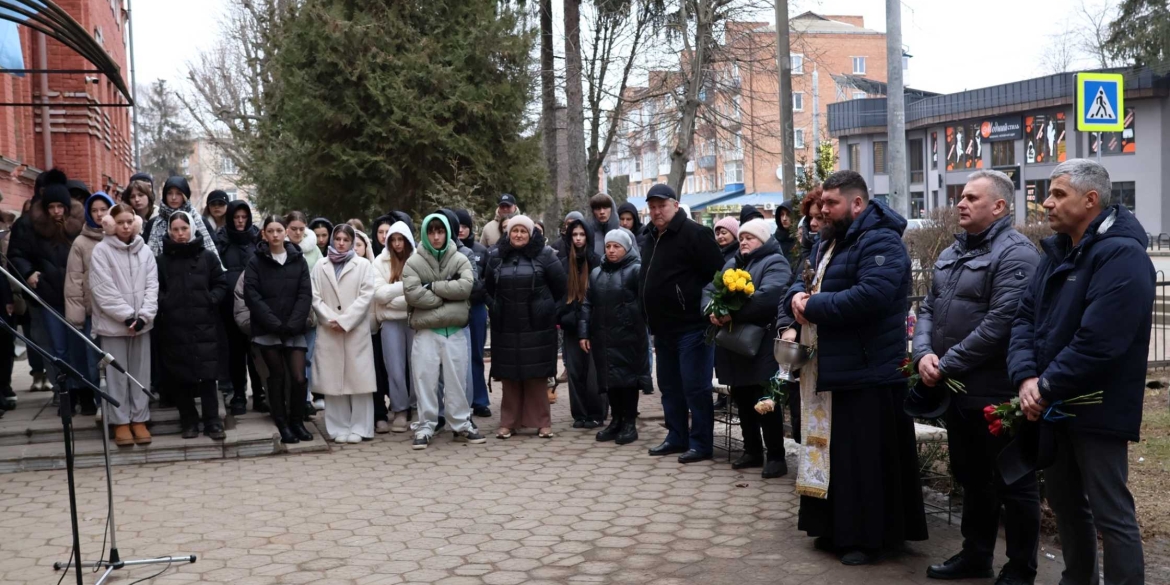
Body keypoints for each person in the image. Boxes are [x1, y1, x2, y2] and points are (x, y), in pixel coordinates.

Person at [1008, 159, 1151, 585]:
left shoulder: (1122, 256)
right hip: (1052, 404)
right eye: (1047, 195)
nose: (1046, 204)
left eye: (1057, 195)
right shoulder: (1056, 252)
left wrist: (1045, 386)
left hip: (1098, 409)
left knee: (1111, 514)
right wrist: (1026, 379)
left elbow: (1101, 341)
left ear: (1090, 200)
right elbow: (1023, 320)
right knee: (1068, 507)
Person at [781, 170, 927, 565]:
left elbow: (871, 297)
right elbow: (799, 283)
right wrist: (794, 304)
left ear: (857, 204)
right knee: (835, 457)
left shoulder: (880, 241)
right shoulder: (826, 242)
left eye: (831, 204)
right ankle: (832, 528)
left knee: (864, 461)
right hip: (829, 369)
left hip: (869, 371)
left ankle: (867, 539)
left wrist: (811, 306)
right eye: (822, 204)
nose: (822, 211)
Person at [913, 170, 1041, 584]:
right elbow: (928, 308)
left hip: (996, 390)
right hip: (958, 392)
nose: (960, 204)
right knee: (971, 477)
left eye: (971, 197)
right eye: (960, 197)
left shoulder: (1016, 253)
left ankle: (1021, 567)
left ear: (999, 206)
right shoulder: (953, 252)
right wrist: (923, 354)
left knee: (1013, 482)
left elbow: (1001, 324)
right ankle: (976, 556)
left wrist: (945, 363)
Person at [639, 184, 725, 464]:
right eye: (652, 206)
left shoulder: (695, 234)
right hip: (662, 328)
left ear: (675, 205)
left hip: (692, 326)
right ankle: (676, 435)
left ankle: (701, 443)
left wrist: (705, 308)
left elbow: (717, 275)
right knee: (669, 385)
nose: (656, 211)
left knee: (695, 386)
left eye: (661, 205)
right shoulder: (650, 236)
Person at [706, 218, 791, 478]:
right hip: (735, 345)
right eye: (741, 237)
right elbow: (710, 289)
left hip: (762, 344)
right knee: (742, 398)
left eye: (750, 237)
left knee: (764, 400)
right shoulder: (734, 263)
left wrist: (732, 313)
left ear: (763, 240)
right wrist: (712, 310)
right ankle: (752, 450)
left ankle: (776, 456)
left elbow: (770, 296)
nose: (743, 241)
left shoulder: (775, 262)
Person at [402, 213, 485, 449]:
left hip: (455, 331)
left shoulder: (460, 259)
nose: (436, 236)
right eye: (432, 232)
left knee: (457, 380)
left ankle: (461, 424)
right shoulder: (413, 262)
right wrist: (448, 300)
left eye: (440, 231)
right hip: (426, 332)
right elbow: (412, 293)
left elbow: (466, 286)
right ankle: (426, 424)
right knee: (425, 380)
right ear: (426, 234)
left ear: (447, 232)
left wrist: (434, 287)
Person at [484, 214, 567, 439]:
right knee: (510, 376)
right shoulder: (496, 256)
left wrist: (547, 310)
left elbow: (561, 289)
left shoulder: (546, 255)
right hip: (506, 326)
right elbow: (488, 288)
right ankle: (508, 422)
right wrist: (495, 307)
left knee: (536, 375)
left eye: (523, 231)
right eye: (514, 231)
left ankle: (542, 422)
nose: (518, 235)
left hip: (537, 326)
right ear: (508, 233)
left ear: (530, 234)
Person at [9, 182, 86, 407]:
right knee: (57, 347)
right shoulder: (32, 226)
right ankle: (65, 393)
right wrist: (29, 273)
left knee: (79, 345)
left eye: (60, 206)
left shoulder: (78, 226)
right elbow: (17, 254)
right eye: (51, 207)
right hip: (49, 296)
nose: (56, 212)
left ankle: (84, 391)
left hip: (77, 295)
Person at [156, 212, 230, 440]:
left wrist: (212, 298)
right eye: (175, 229)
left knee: (208, 376)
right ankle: (188, 421)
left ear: (192, 229)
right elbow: (154, 287)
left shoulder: (207, 257)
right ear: (169, 231)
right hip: (174, 327)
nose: (180, 234)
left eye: (184, 229)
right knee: (181, 377)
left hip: (205, 326)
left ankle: (212, 421)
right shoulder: (162, 260)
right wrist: (165, 303)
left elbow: (221, 282)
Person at [89, 204, 158, 446]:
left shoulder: (145, 251)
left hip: (141, 325)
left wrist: (143, 317)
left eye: (130, 221)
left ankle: (139, 419)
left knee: (140, 374)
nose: (126, 226)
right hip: (113, 326)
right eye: (120, 222)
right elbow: (102, 289)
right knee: (116, 375)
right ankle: (120, 421)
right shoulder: (101, 251)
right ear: (110, 224)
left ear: (136, 223)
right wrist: (127, 316)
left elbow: (152, 286)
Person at [246, 215, 315, 444]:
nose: (275, 235)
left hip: (294, 328)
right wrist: (274, 324)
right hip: (267, 329)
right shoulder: (255, 261)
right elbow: (252, 296)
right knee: (277, 377)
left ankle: (297, 422)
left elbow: (305, 293)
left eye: (278, 230)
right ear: (264, 234)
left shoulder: (297, 259)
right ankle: (282, 423)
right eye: (270, 231)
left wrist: (294, 323)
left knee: (298, 378)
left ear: (285, 232)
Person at [579, 229, 649, 445]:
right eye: (608, 246)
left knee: (628, 380)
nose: (611, 250)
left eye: (616, 246)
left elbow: (645, 302)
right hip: (603, 337)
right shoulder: (597, 273)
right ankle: (616, 420)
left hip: (629, 337)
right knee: (609, 380)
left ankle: (629, 422)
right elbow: (588, 304)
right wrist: (584, 333)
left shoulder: (636, 270)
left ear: (626, 248)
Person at [311, 224, 377, 443]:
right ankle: (337, 427)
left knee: (359, 381)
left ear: (351, 242)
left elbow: (367, 295)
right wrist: (332, 319)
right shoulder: (320, 265)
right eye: (337, 239)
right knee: (333, 382)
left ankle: (361, 427)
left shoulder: (363, 265)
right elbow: (315, 296)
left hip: (355, 330)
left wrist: (346, 321)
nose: (341, 243)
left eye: (345, 240)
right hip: (329, 330)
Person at [63, 191, 115, 415]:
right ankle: (101, 403)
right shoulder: (81, 243)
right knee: (95, 362)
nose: (99, 214)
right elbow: (74, 280)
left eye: (103, 209)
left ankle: (121, 402)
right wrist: (76, 315)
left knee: (116, 361)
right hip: (91, 313)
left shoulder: (118, 236)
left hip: (116, 312)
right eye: (94, 210)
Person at [216, 200, 267, 415]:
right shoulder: (222, 240)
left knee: (256, 351)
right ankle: (238, 394)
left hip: (255, 305)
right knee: (235, 353)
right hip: (229, 305)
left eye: (243, 217)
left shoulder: (257, 239)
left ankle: (259, 394)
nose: (239, 221)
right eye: (236, 217)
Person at [558, 217, 606, 429]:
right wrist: (563, 315)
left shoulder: (596, 261)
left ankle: (597, 412)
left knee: (593, 372)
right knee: (575, 370)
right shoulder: (562, 263)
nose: (578, 239)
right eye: (574, 235)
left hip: (593, 325)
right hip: (570, 325)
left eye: (581, 234)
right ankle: (579, 414)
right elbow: (557, 293)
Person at [373, 221, 416, 433]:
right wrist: (405, 288)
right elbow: (378, 295)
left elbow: (418, 296)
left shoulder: (417, 260)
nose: (397, 244)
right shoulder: (380, 261)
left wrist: (393, 296)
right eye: (394, 240)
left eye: (401, 239)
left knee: (416, 364)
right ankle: (399, 409)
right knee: (394, 367)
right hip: (389, 322)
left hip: (414, 320)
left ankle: (416, 407)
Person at [353, 230, 391, 433]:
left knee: (376, 372)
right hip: (349, 331)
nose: (354, 249)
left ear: (365, 247)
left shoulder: (372, 268)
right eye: (351, 245)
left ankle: (379, 414)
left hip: (372, 330)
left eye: (358, 245)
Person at [456, 209, 491, 418]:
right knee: (456, 357)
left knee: (476, 355)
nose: (461, 230)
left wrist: (478, 289)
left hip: (476, 308)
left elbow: (487, 279)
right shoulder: (449, 250)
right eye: (457, 226)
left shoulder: (481, 251)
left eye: (465, 226)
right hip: (455, 308)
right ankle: (459, 401)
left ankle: (479, 400)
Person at [287, 211, 321, 414]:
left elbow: (321, 277)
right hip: (287, 312)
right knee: (289, 357)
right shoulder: (279, 247)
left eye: (301, 229)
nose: (298, 233)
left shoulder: (314, 250)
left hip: (310, 311)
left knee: (308, 356)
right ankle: (290, 400)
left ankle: (306, 398)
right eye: (293, 229)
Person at [147, 177, 220, 261]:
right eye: (169, 193)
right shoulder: (154, 223)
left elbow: (214, 248)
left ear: (185, 195)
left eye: (178, 193)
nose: (173, 197)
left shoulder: (199, 220)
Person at [120, 176, 157, 242]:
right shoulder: (126, 218)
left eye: (141, 195)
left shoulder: (158, 215)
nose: (137, 199)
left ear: (148, 196)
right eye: (132, 197)